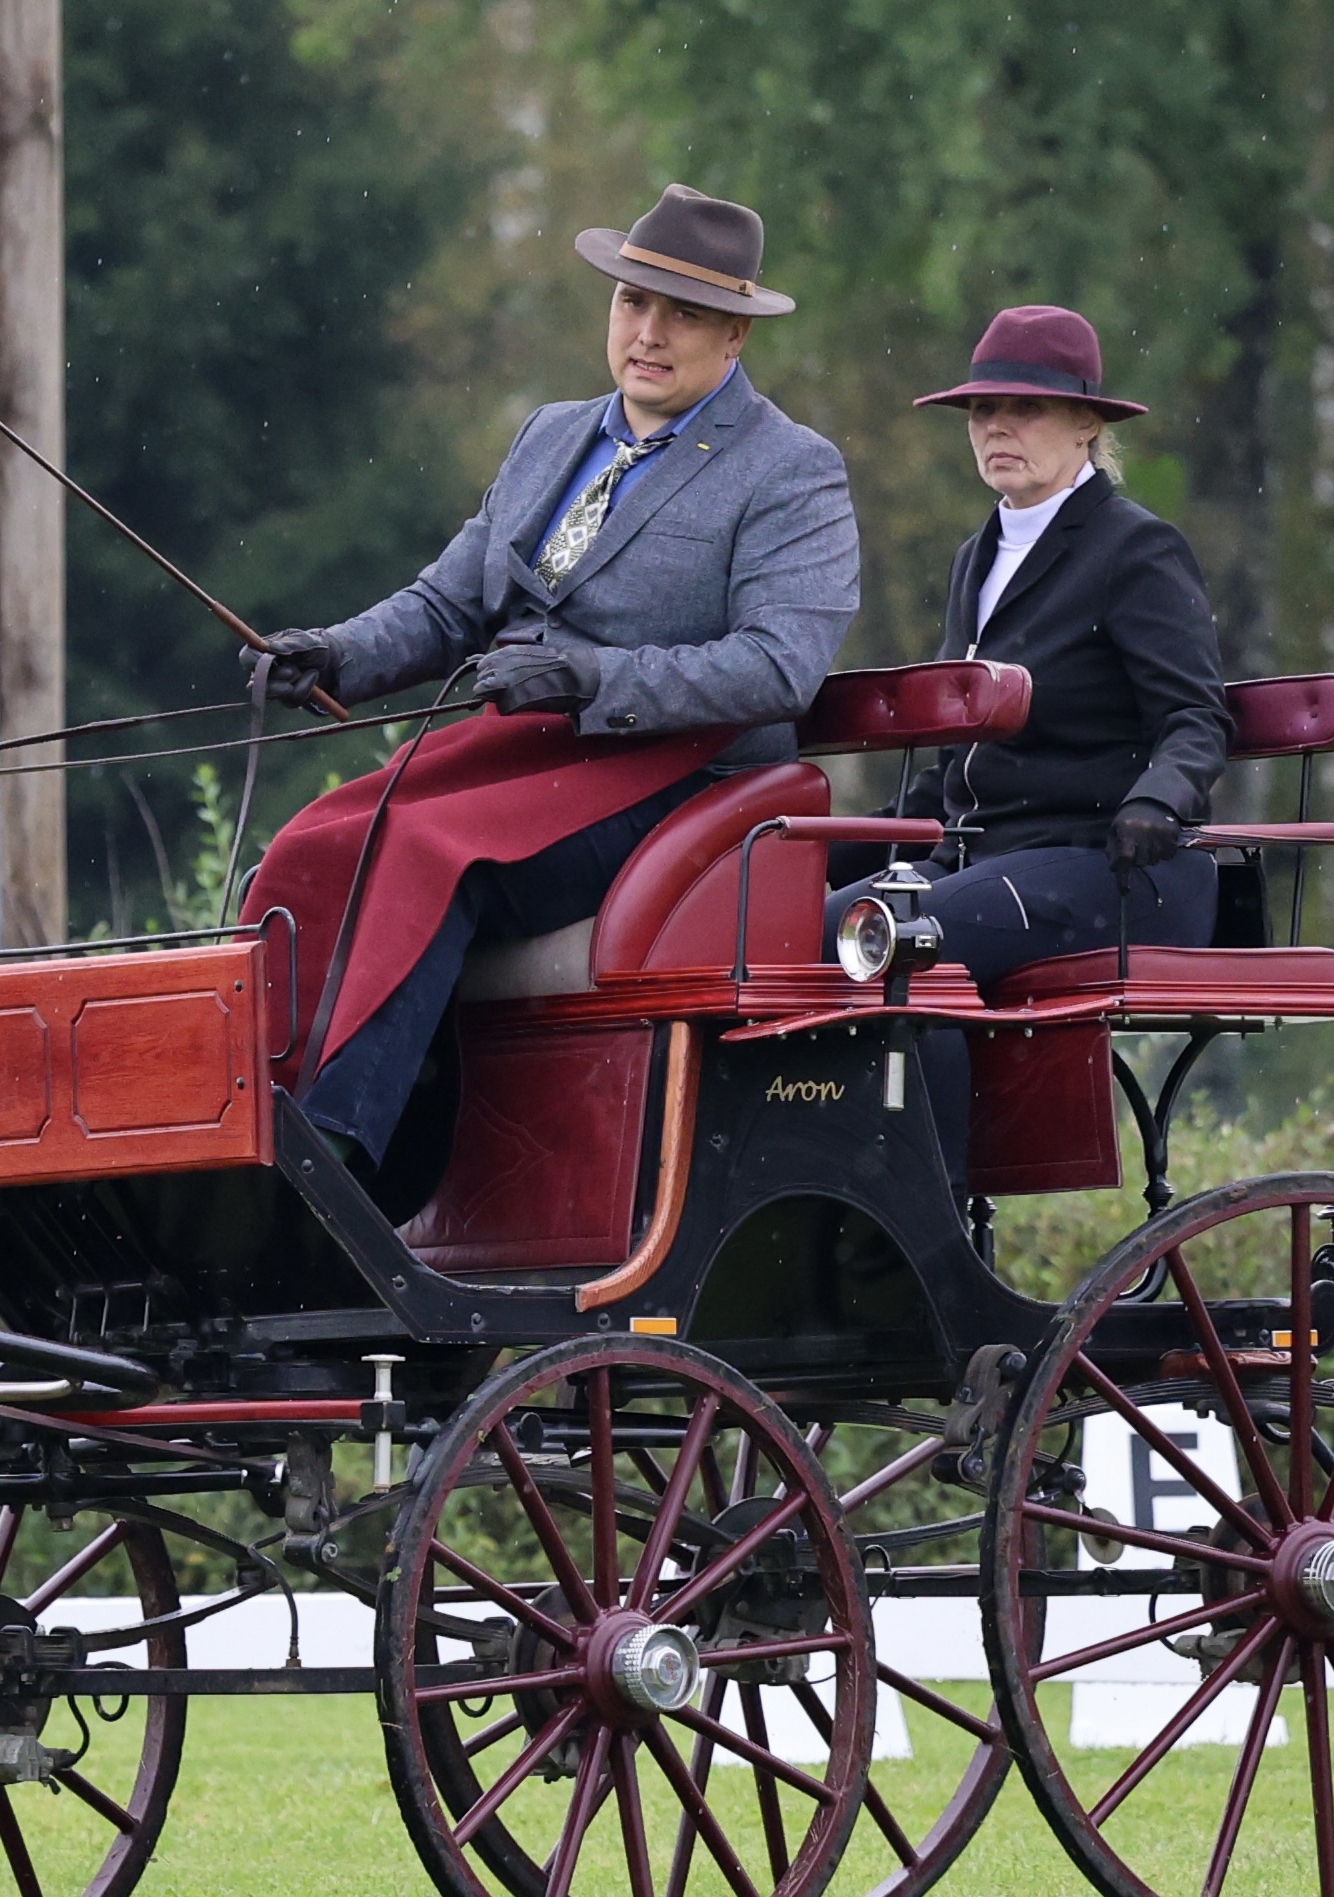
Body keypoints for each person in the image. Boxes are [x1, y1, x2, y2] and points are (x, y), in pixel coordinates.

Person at [237, 185, 859, 1207]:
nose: (647, 333)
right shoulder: (549, 437)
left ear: (736, 333)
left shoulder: (789, 472)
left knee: (434, 856)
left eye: (683, 314)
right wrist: (332, 655)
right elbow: (447, 605)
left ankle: (337, 1165)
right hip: (518, 760)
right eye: (630, 303)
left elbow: (779, 665)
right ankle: (262, 1111)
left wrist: (591, 679)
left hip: (675, 784)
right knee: (312, 843)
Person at [863, 304, 1232, 977]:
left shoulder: (1134, 549)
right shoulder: (973, 557)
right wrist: (845, 841)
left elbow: (1195, 717)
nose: (996, 426)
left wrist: (1157, 798)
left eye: (1026, 407)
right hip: (977, 857)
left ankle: (930, 1087)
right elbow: (959, 765)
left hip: (1111, 865)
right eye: (982, 409)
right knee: (790, 934)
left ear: (1086, 424)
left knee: (899, 944)